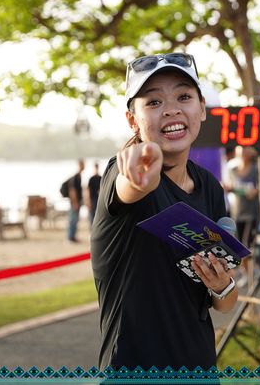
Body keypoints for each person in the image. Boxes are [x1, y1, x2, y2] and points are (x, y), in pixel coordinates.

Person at [90, 52, 239, 370]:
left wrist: (220, 284)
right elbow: (130, 186)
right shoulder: (123, 174)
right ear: (133, 120)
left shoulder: (210, 187)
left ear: (202, 109)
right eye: (154, 102)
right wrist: (138, 176)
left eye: (183, 97)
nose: (171, 109)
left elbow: (224, 305)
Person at [223, 145, 260, 286]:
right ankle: (249, 272)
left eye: (246, 148)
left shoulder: (256, 170)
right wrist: (228, 188)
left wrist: (254, 191)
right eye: (240, 147)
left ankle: (251, 274)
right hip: (236, 213)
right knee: (238, 247)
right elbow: (230, 186)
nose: (243, 150)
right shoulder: (232, 171)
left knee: (246, 246)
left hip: (251, 213)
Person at [65, 159, 84, 243]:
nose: (83, 166)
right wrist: (75, 203)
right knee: (73, 219)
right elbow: (72, 191)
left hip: (77, 202)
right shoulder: (75, 177)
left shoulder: (79, 176)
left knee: (75, 220)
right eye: (82, 164)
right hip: (74, 202)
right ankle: (70, 237)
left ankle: (73, 237)